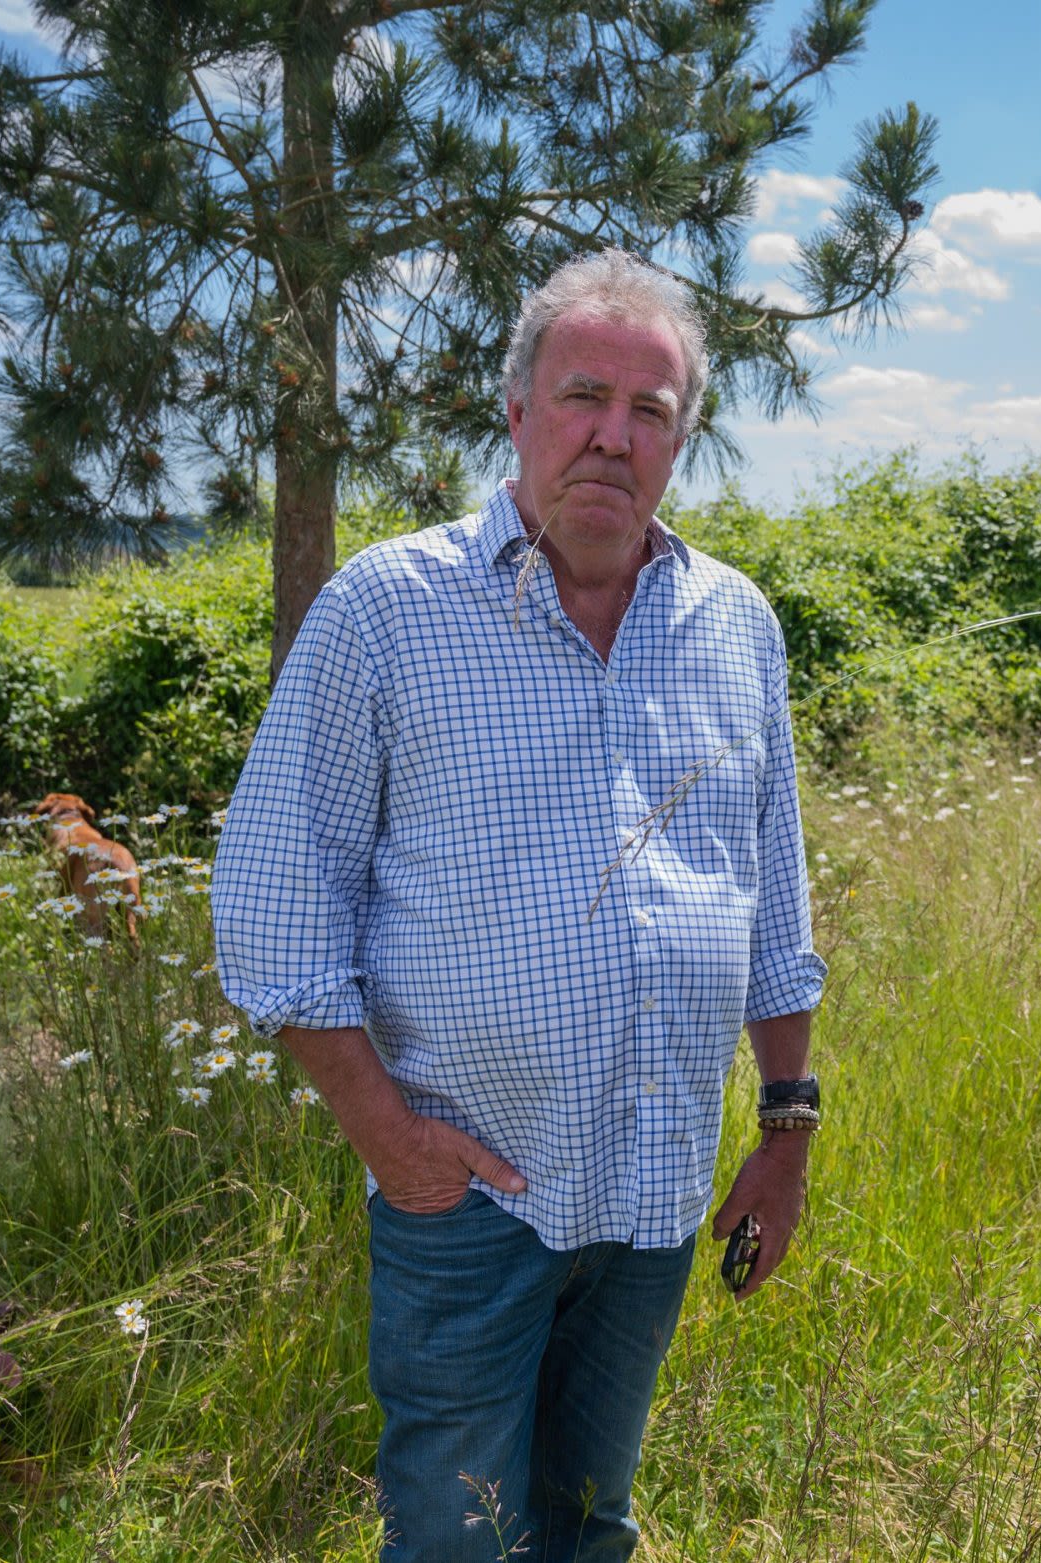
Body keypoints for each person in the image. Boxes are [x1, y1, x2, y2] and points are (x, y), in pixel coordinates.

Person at [212, 250, 826, 1562]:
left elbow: (771, 897)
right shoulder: (389, 608)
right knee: (453, 1537)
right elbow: (270, 904)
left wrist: (787, 1122)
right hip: (469, 1194)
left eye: (649, 409)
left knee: (587, 1519)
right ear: (517, 411)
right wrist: (388, 1133)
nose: (613, 433)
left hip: (658, 1189)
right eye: (583, 394)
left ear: (684, 435)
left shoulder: (735, 624)